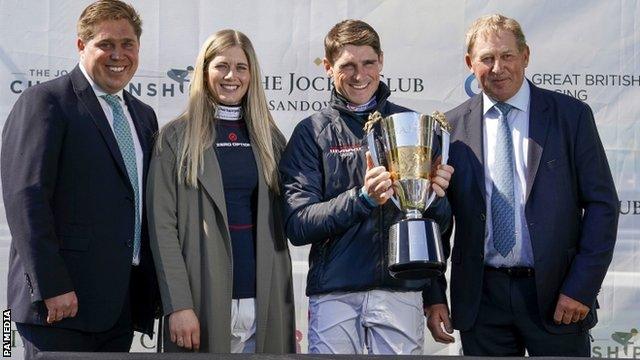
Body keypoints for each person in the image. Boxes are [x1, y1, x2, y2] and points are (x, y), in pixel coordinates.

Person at [424, 14, 619, 357]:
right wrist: (435, 295)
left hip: (558, 296)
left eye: (507, 56)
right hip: (481, 301)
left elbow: (603, 205)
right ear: (470, 63)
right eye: (486, 58)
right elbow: (435, 221)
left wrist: (582, 287)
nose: (497, 67)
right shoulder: (447, 128)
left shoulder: (570, 116)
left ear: (526, 56)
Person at [280, 19, 454, 355]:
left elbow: (438, 226)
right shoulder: (311, 132)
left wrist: (435, 198)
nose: (360, 76)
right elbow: (298, 225)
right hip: (335, 294)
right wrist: (362, 199)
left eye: (368, 63)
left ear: (382, 61)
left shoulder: (411, 126)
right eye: (347, 65)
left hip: (401, 291)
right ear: (328, 67)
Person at [1, 1, 160, 358]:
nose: (118, 54)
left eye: (127, 44)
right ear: (80, 46)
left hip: (117, 308)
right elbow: (26, 201)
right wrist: (52, 286)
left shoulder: (143, 116)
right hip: (59, 309)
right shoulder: (46, 102)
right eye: (106, 44)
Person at [147, 29, 295, 354]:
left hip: (264, 298)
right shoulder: (174, 140)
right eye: (222, 66)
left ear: (252, 74)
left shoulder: (272, 140)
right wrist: (178, 305)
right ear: (204, 71)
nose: (232, 76)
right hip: (201, 301)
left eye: (241, 67)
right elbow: (161, 230)